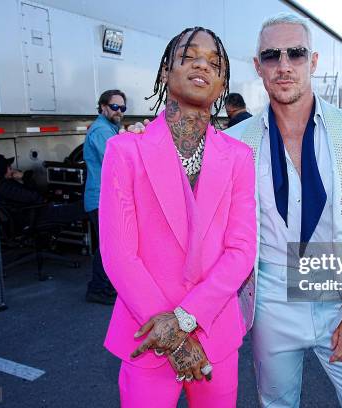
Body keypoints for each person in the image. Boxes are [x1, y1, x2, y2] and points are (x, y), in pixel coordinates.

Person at [225, 13, 342, 407]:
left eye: (295, 54)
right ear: (258, 67)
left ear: (313, 62)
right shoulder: (232, 143)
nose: (284, 66)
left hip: (341, 298)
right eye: (271, 56)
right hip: (270, 300)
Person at [98, 27, 256, 408]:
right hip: (146, 335)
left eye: (215, 62)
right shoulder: (125, 151)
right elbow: (119, 255)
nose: (203, 63)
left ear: (221, 85)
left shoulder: (238, 157)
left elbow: (242, 249)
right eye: (190, 56)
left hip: (214, 334)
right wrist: (173, 337)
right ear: (166, 71)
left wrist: (186, 319)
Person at [83, 90, 126, 305]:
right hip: (101, 199)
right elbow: (117, 159)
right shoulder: (101, 130)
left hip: (105, 198)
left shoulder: (109, 128)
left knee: (110, 245)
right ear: (103, 107)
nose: (119, 111)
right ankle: (98, 289)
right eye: (115, 107)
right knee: (109, 247)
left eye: (122, 108)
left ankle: (104, 286)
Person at [0, 154, 85, 225]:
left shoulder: (0, 184)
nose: (12, 170)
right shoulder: (4, 187)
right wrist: (24, 178)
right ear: (1, 170)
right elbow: (34, 197)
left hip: (32, 214)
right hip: (35, 215)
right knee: (85, 207)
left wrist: (24, 179)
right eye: (9, 168)